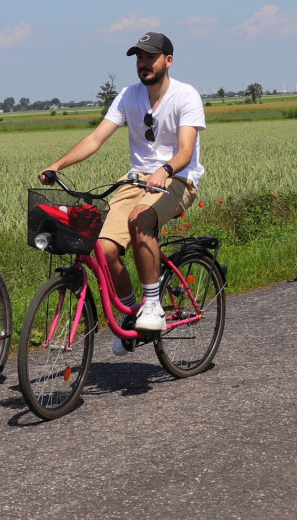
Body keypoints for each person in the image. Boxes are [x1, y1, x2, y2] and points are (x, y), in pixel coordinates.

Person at [39, 32, 205, 356]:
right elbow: (95, 138)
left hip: (178, 179)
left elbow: (186, 151)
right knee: (102, 248)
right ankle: (132, 315)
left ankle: (153, 305)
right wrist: (57, 165)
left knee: (139, 218)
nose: (143, 64)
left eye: (150, 57)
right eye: (139, 58)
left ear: (168, 61)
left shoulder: (186, 96)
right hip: (135, 180)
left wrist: (166, 170)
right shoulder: (129, 96)